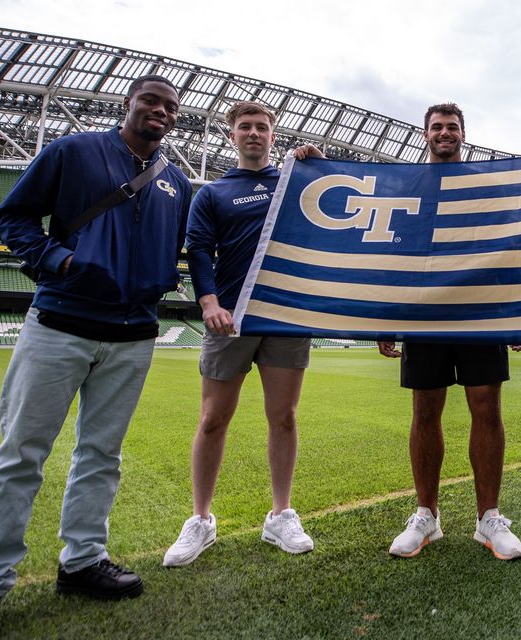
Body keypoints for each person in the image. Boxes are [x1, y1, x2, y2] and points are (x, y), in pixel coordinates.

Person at [0, 75, 191, 639]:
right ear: (127, 104)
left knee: (102, 454)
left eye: (170, 107)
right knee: (21, 454)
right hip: (60, 322)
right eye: (150, 100)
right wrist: (56, 262)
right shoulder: (72, 150)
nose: (160, 111)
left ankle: (82, 561)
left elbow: (180, 247)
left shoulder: (176, 181)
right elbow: (13, 217)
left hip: (134, 333)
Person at [163, 101, 324, 567]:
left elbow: (333, 209)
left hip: (285, 317)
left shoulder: (295, 184)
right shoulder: (212, 193)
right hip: (228, 320)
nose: (253, 133)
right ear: (231, 136)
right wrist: (209, 301)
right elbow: (198, 251)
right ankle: (200, 520)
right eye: (244, 127)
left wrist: (319, 166)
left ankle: (281, 514)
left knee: (285, 417)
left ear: (274, 137)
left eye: (261, 128)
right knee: (213, 418)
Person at [377, 103, 521, 561]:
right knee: (425, 408)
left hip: (481, 309)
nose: (445, 132)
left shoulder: (484, 185)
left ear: (464, 134)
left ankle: (489, 518)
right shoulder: (409, 186)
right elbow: (391, 250)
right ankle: (427, 515)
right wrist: (384, 315)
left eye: (452, 127)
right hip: (423, 312)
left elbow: (507, 246)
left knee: (486, 405)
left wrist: (518, 311)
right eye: (437, 127)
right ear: (425, 134)